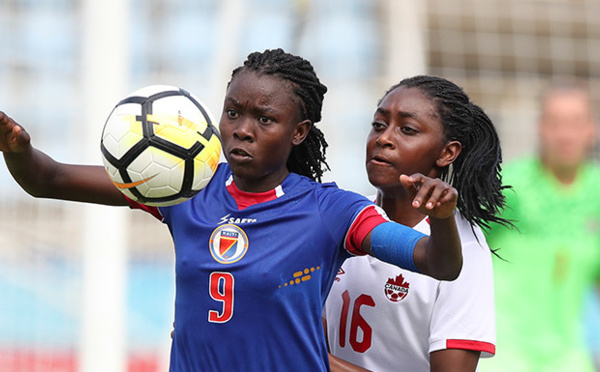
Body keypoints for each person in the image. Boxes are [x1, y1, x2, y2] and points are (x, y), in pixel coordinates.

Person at [0, 49, 463, 371]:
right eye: (233, 112)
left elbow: (437, 263)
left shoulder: (329, 210)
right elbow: (49, 180)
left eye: (265, 119)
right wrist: (18, 149)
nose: (242, 130)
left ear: (298, 132)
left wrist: (441, 219)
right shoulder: (186, 186)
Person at [323, 75, 511, 372]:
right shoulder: (343, 216)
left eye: (407, 129)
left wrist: (315, 363)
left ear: (447, 152)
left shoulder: (465, 247)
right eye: (378, 125)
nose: (383, 138)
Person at [478, 76, 600, 372]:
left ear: (591, 129)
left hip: (569, 357)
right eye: (555, 123)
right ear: (541, 128)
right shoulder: (508, 188)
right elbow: (454, 250)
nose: (565, 134)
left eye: (575, 122)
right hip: (502, 355)